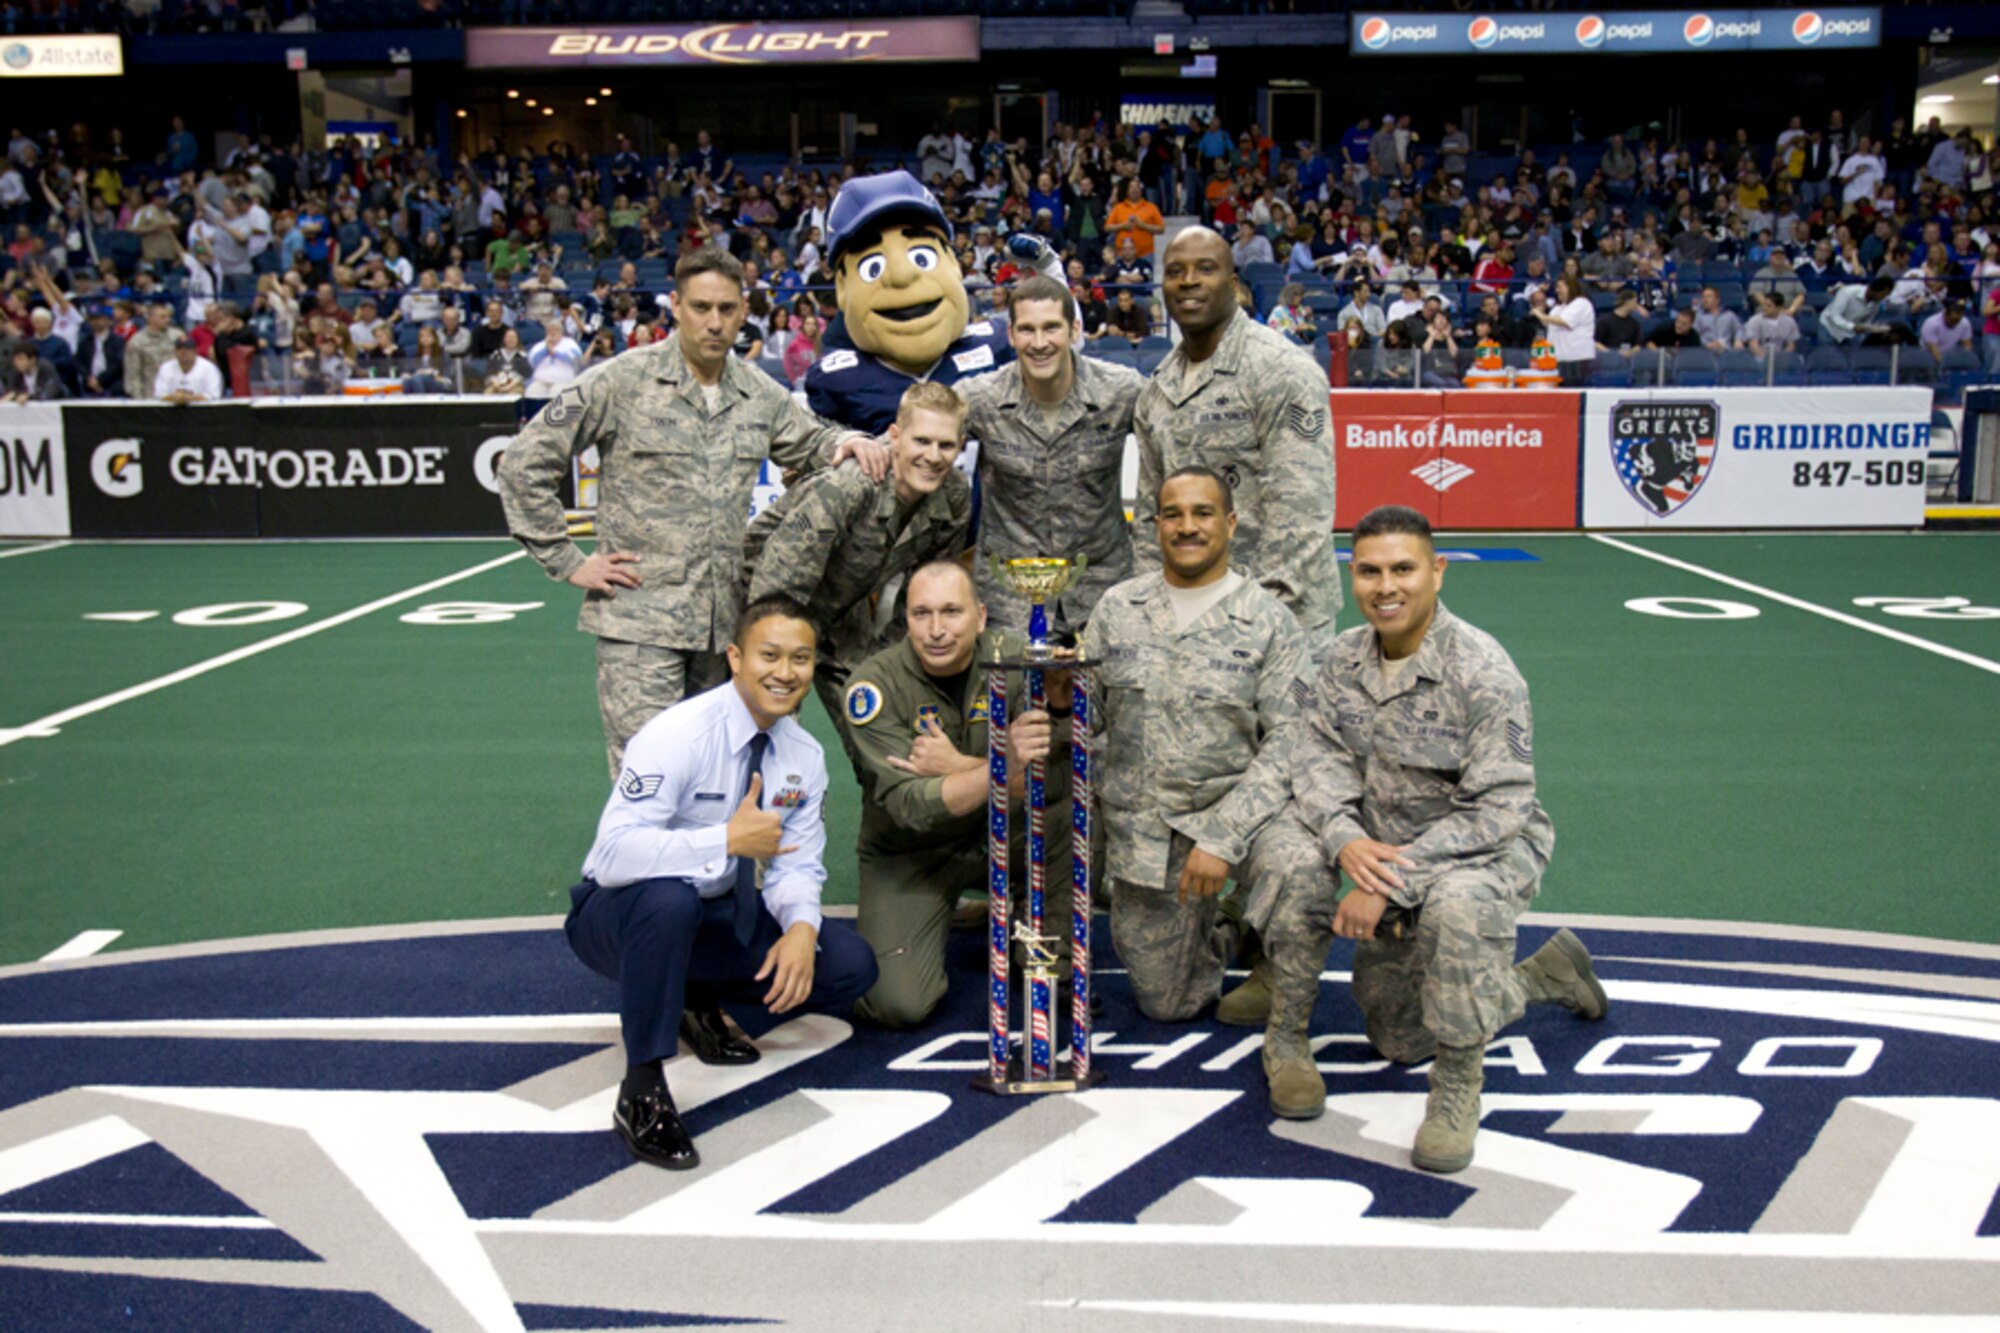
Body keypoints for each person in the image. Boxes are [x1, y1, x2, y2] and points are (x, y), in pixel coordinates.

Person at [1286, 505, 1608, 1172]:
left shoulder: (1482, 670)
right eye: (1369, 571)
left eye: (1403, 568)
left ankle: (1458, 1090)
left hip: (1483, 849)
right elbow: (1315, 759)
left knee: (1455, 913)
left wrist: (1388, 879)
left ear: (1437, 571)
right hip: (1382, 848)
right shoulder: (1339, 659)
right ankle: (1545, 976)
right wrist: (1346, 840)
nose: (1385, 586)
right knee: (1399, 1038)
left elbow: (1499, 807)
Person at [498, 248, 885, 776]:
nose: (715, 322)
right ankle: (638, 864)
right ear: (675, 305)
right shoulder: (621, 381)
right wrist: (567, 560)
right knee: (647, 776)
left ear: (743, 309)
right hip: (641, 623)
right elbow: (523, 462)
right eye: (701, 307)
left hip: (722, 626)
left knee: (715, 776)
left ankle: (715, 862)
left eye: (727, 309)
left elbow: (814, 442)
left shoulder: (757, 393)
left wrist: (857, 442)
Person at [561, 596, 879, 1171]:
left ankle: (691, 995)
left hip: (709, 916)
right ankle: (642, 1090)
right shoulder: (678, 734)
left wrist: (804, 927)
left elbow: (797, 864)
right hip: (618, 917)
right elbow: (610, 855)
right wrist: (724, 842)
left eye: (801, 658)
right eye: (770, 655)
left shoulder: (802, 755)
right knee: (669, 899)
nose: (785, 672)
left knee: (849, 964)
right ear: (736, 658)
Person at [1081, 468, 1333, 1114]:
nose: (1187, 526)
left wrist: (1222, 836)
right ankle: (1223, 927)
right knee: (1168, 1004)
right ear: (1154, 524)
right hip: (1149, 831)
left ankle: (1288, 1031)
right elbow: (1091, 725)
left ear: (1230, 523)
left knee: (1300, 867)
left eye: (1201, 512)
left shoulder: (1270, 621)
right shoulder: (1117, 609)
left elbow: (1291, 744)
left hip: (1243, 819)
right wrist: (1058, 707)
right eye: (1171, 513)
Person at [840, 560, 1069, 1029]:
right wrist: (1005, 766)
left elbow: (1060, 779)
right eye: (921, 614)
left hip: (1002, 839)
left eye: (951, 612)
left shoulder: (1019, 659)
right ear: (905, 619)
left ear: (981, 616)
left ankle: (1045, 951)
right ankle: (951, 910)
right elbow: (912, 806)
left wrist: (958, 768)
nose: (937, 630)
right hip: (913, 854)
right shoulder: (872, 685)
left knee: (1070, 816)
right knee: (897, 1006)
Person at [1133, 226, 1341, 655]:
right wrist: (1150, 613)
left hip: (1279, 631)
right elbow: (1150, 522)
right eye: (1175, 271)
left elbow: (1301, 520)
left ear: (1233, 286)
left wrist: (1248, 629)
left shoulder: (1282, 372)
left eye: (1204, 269)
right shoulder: (1157, 389)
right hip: (1187, 624)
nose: (1188, 280)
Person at [743, 381, 972, 753]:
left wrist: (891, 662)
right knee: (768, 744)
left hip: (840, 612)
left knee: (881, 734)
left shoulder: (955, 495)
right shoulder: (850, 486)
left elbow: (928, 593)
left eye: (945, 445)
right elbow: (774, 593)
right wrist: (778, 673)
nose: (933, 456)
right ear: (895, 437)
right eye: (921, 441)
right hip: (762, 607)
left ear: (960, 446)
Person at [957, 274, 1145, 639]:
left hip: (1101, 593)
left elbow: (1177, 430)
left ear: (1075, 330)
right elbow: (915, 428)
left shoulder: (1121, 391)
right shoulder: (980, 398)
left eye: (1051, 328)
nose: (1039, 343)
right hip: (1008, 601)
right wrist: (856, 441)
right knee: (1008, 697)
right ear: (1011, 335)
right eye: (1027, 330)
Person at [1531, 274, 1596, 387]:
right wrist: (1540, 316)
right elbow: (1548, 323)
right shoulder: (1558, 307)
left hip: (1576, 359)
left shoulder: (1581, 303)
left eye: (1559, 287)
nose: (1557, 291)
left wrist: (1541, 315)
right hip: (1558, 359)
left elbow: (1564, 321)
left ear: (1569, 287)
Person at [154, 335, 223, 403]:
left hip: (203, 412)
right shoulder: (166, 368)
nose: (183, 352)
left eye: (188, 348)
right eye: (180, 348)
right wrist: (176, 398)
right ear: (175, 352)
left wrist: (188, 398)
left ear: (195, 351)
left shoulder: (209, 368)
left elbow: (212, 396)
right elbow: (160, 394)